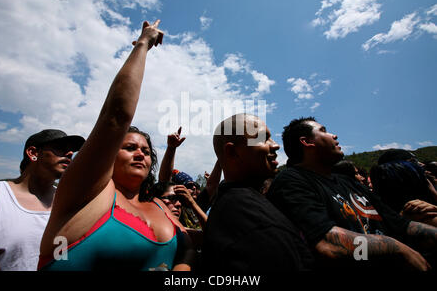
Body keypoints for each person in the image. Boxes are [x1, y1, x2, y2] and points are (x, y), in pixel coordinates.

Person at [38, 20, 194, 271]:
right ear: (109, 155)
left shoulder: (160, 206)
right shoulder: (84, 195)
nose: (140, 154)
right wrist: (144, 43)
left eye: (145, 151)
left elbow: (187, 252)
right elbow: (116, 117)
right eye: (130, 148)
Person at [267, 117, 437, 271]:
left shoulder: (349, 183)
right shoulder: (291, 181)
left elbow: (401, 225)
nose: (334, 135)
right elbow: (328, 246)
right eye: (324, 131)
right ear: (307, 142)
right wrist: (395, 248)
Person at [201, 114, 315, 272]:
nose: (275, 146)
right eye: (263, 138)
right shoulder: (245, 217)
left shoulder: (248, 205)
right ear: (232, 152)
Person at [0, 129, 85, 271]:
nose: (70, 153)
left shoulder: (67, 202)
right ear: (33, 153)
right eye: (60, 148)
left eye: (71, 151)